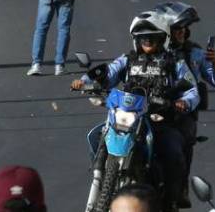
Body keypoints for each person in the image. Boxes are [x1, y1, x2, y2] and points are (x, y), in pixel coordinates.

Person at [70, 15, 198, 210]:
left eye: (152, 37)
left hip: (158, 121)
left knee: (173, 150)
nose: (147, 41)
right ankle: (102, 175)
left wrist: (183, 102)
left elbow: (192, 90)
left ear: (162, 38)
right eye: (143, 37)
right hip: (126, 118)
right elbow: (107, 73)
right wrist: (85, 82)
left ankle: (173, 199)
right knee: (96, 136)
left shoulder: (175, 63)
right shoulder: (127, 60)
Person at [153, 1, 215, 205]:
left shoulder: (194, 52)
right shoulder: (148, 49)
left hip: (181, 112)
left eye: (184, 29)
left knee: (183, 145)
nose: (182, 33)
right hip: (151, 108)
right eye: (177, 29)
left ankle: (180, 188)